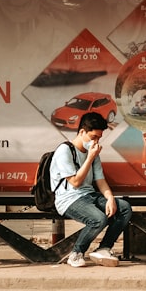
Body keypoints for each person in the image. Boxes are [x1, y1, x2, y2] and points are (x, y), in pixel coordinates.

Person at [52, 112, 133, 268]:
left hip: (89, 195)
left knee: (124, 208)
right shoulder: (65, 151)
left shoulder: (94, 153)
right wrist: (89, 157)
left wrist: (109, 198)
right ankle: (76, 254)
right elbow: (75, 182)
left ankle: (104, 248)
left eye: (99, 138)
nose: (96, 142)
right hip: (69, 199)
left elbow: (100, 180)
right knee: (98, 219)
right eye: (93, 137)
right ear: (82, 132)